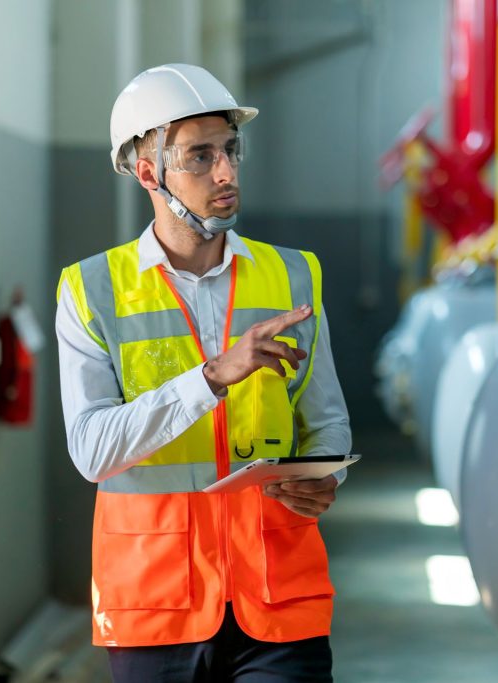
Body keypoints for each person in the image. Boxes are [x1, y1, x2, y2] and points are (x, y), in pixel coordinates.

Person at [55, 63, 351, 682]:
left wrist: (324, 477)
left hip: (278, 596)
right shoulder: (91, 290)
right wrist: (212, 377)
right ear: (148, 173)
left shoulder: (293, 275)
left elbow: (326, 422)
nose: (226, 172)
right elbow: (91, 451)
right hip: (155, 602)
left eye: (230, 150)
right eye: (199, 156)